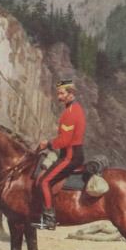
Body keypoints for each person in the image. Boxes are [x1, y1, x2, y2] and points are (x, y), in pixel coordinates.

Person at [36, 79, 86, 231]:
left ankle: (49, 219)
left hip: (70, 156)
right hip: (70, 153)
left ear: (71, 94)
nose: (59, 96)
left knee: (44, 182)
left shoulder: (70, 113)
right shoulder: (74, 108)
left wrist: (48, 144)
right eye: (58, 93)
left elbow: (65, 140)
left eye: (61, 93)